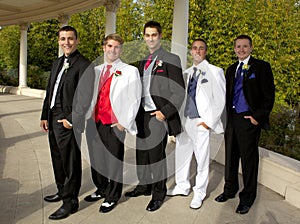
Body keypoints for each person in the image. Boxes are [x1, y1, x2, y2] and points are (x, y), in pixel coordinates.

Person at [124, 21, 185, 212]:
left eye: (154, 35)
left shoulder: (171, 59)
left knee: (156, 156)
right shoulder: (143, 61)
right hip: (141, 114)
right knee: (141, 152)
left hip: (157, 115)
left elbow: (179, 91)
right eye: (147, 35)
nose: (150, 38)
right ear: (144, 37)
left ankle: (159, 194)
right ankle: (144, 186)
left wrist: (164, 112)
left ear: (160, 36)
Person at [214, 35, 275, 214]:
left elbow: (269, 96)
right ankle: (229, 190)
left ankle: (247, 197)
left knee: (249, 161)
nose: (241, 49)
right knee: (231, 158)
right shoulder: (231, 69)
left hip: (248, 119)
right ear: (234, 49)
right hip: (232, 119)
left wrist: (257, 117)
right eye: (238, 46)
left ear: (251, 47)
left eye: (245, 46)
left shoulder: (262, 67)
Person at [40, 25, 94, 220]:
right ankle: (62, 191)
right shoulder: (57, 62)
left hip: (67, 120)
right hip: (53, 117)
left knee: (70, 162)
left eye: (70, 39)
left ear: (77, 40)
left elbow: (86, 97)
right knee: (57, 158)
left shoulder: (84, 64)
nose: (67, 43)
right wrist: (44, 115)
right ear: (59, 41)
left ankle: (70, 202)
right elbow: (50, 91)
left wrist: (71, 120)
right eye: (63, 39)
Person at [83, 33, 141, 213]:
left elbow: (135, 98)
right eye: (109, 46)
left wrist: (124, 122)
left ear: (121, 49)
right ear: (104, 48)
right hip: (94, 121)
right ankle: (101, 189)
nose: (113, 50)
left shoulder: (130, 71)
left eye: (116, 47)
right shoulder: (95, 70)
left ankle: (113, 196)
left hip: (114, 124)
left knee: (114, 161)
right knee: (96, 159)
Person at [167, 39, 226, 209]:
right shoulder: (186, 73)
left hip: (201, 123)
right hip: (185, 122)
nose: (197, 51)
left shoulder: (215, 72)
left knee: (201, 160)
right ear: (191, 51)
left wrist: (208, 122)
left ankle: (199, 192)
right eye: (194, 48)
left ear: (205, 51)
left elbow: (220, 100)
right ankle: (182, 186)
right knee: (182, 156)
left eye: (201, 49)